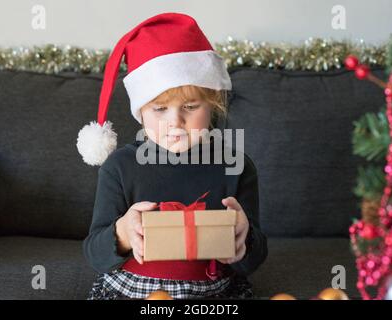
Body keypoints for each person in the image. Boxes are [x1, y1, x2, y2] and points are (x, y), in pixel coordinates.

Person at [77, 12, 268, 300]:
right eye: (159, 109)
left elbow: (253, 260)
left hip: (212, 294)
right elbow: (94, 253)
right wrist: (122, 234)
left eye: (190, 106)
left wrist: (245, 240)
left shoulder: (236, 168)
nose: (175, 122)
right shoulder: (120, 167)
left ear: (212, 104)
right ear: (140, 111)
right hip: (132, 292)